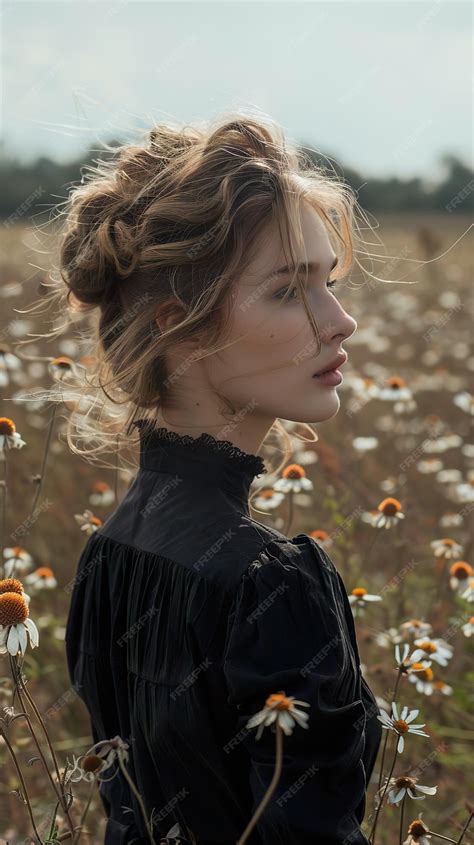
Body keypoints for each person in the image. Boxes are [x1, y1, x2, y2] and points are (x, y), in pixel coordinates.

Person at [62, 114, 382, 844]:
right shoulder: (275, 581)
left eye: (329, 283)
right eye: (290, 290)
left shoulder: (108, 554)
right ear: (183, 326)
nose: (341, 322)